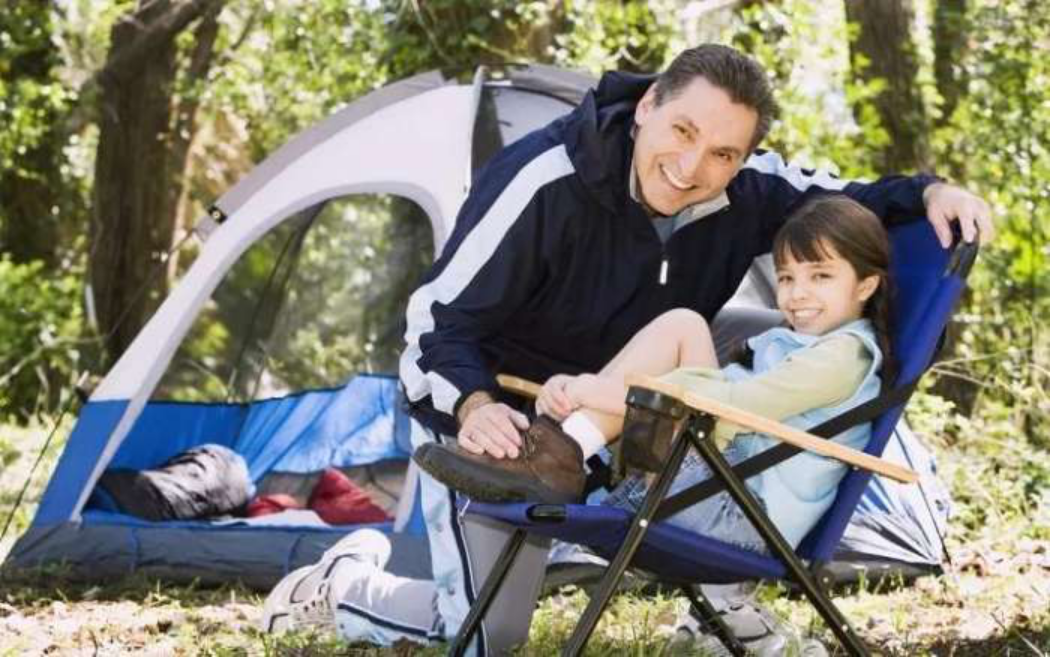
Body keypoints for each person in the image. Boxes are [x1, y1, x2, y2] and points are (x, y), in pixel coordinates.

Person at [263, 44, 993, 653]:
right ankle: (346, 583)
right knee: (488, 639)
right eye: (681, 131)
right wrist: (477, 404)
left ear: (744, 155)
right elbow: (434, 322)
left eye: (723, 152)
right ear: (646, 107)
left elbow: (853, 207)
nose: (692, 166)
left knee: (730, 335)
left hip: (610, 430)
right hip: (500, 433)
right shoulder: (542, 180)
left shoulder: (749, 188)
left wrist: (929, 192)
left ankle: (717, 602)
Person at [417, 194, 891, 553]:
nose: (796, 293)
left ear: (866, 285)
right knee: (683, 324)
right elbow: (715, 393)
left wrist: (602, 392)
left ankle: (562, 451)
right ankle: (563, 446)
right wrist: (598, 392)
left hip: (742, 517)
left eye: (821, 276)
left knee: (676, 368)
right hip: (722, 488)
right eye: (787, 277)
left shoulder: (844, 355)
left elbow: (734, 406)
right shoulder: (792, 343)